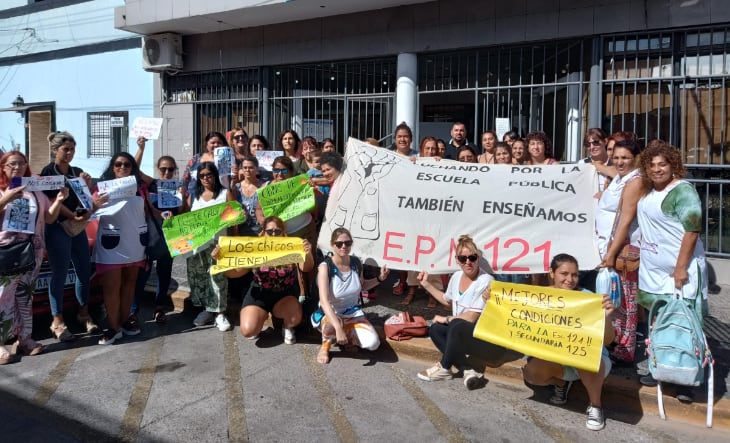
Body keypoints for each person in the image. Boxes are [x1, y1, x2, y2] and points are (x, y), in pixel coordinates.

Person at [617, 141, 707, 399]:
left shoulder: (682, 191)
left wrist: (680, 269)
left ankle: (687, 379)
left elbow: (692, 231)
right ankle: (659, 368)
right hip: (652, 270)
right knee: (657, 323)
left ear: (672, 165)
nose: (657, 169)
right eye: (652, 165)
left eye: (662, 164)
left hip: (679, 272)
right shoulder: (647, 190)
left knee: (684, 323)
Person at [521, 253, 615, 431]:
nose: (570, 279)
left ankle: (596, 406)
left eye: (574, 275)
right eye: (564, 274)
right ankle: (561, 384)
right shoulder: (541, 297)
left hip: (593, 363)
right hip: (559, 361)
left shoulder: (590, 298)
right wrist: (491, 299)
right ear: (551, 273)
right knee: (531, 373)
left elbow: (609, 339)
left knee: (583, 356)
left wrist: (606, 318)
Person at [415, 235, 506, 390]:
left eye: (472, 258)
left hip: (485, 340)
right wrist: (426, 284)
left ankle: (444, 367)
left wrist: (446, 318)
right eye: (463, 259)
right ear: (457, 260)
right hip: (463, 336)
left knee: (455, 324)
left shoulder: (486, 281)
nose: (468, 262)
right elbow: (447, 300)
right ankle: (468, 370)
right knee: (435, 329)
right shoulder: (456, 276)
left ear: (478, 258)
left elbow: (471, 318)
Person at [0, 152, 66, 362]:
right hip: (5, 253)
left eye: (21, 163)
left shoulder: (34, 190)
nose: (17, 167)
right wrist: (6, 199)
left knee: (25, 297)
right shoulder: (1, 189)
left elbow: (49, 217)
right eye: (12, 164)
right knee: (2, 298)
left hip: (32, 253)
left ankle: (25, 339)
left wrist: (58, 200)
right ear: (3, 167)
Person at [41, 131, 104, 341]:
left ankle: (83, 313)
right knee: (59, 273)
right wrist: (73, 217)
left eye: (72, 149)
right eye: (65, 149)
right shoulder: (47, 172)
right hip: (58, 227)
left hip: (77, 228)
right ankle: (57, 319)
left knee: (83, 270)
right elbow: (52, 204)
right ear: (55, 150)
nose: (69, 153)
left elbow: (84, 200)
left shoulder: (77, 172)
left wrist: (86, 186)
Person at [225, 216, 315, 344]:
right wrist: (220, 259)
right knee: (248, 330)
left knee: (295, 318)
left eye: (277, 231)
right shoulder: (255, 247)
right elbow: (234, 273)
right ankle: (260, 316)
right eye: (270, 231)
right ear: (263, 232)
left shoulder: (292, 245)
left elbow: (306, 268)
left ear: (283, 233)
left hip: (284, 295)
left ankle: (287, 326)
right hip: (259, 294)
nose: (273, 234)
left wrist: (308, 254)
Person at [597, 139, 643, 364]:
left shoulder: (634, 182)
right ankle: (615, 342)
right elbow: (605, 168)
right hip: (611, 246)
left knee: (627, 301)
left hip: (624, 249)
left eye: (625, 157)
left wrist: (612, 252)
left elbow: (625, 221)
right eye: (616, 157)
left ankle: (626, 349)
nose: (619, 161)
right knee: (614, 298)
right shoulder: (619, 176)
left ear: (635, 158)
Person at [94, 153, 148, 345]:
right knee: (111, 286)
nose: (122, 167)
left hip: (135, 242)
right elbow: (90, 210)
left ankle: (125, 321)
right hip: (112, 243)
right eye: (118, 164)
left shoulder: (139, 188)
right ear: (112, 167)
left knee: (129, 284)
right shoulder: (102, 189)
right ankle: (112, 326)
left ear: (132, 168)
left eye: (127, 164)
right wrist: (94, 203)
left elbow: (148, 211)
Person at [132, 139, 187, 324]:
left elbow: (184, 214)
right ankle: (133, 310)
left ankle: (159, 308)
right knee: (143, 275)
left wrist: (184, 198)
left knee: (164, 275)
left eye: (170, 169)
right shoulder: (152, 183)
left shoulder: (179, 188)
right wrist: (141, 147)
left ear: (174, 171)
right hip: (151, 237)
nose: (166, 172)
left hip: (170, 239)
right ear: (157, 169)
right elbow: (134, 169)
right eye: (163, 169)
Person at [314, 228, 388, 363]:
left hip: (352, 313)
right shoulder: (325, 267)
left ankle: (347, 336)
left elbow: (362, 286)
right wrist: (337, 328)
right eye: (339, 244)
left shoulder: (356, 263)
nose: (344, 247)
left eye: (348, 243)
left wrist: (380, 278)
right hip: (330, 313)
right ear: (332, 245)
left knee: (373, 344)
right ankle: (326, 345)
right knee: (332, 324)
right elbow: (324, 302)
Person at [186, 162, 235, 331]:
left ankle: (220, 313)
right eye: (202, 175)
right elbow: (184, 218)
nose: (206, 178)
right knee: (201, 278)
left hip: (218, 244)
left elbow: (235, 218)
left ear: (215, 175)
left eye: (209, 174)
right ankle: (207, 310)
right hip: (198, 245)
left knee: (218, 277)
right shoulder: (193, 195)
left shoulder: (224, 193)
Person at [182, 131, 228, 201]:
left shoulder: (226, 160)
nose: (216, 145)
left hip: (218, 198)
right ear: (207, 145)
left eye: (219, 143)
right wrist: (183, 192)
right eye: (213, 143)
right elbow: (186, 177)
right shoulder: (197, 158)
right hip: (194, 197)